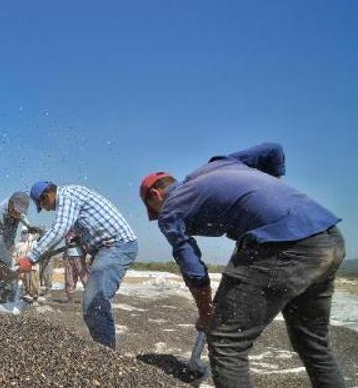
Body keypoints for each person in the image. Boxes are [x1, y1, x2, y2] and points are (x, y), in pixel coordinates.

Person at [140, 143, 345, 387]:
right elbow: (273, 150)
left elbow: (193, 269)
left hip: (283, 243)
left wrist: (206, 312)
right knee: (313, 343)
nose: (157, 214)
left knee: (227, 341)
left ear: (156, 195)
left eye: (152, 209)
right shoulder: (218, 164)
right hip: (328, 237)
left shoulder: (170, 210)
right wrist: (270, 190)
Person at [16, 182, 137, 349]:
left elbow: (59, 229)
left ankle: (107, 354)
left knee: (94, 303)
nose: (47, 209)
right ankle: (105, 350)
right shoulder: (72, 196)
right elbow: (88, 223)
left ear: (47, 196)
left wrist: (31, 258)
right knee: (94, 303)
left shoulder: (67, 196)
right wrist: (81, 238)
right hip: (107, 248)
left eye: (43, 205)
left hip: (116, 246)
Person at [63, 230, 89, 303]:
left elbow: (86, 243)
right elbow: (66, 243)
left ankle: (90, 296)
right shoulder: (67, 230)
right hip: (69, 256)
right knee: (69, 277)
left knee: (84, 277)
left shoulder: (82, 229)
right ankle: (70, 297)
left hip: (79, 256)